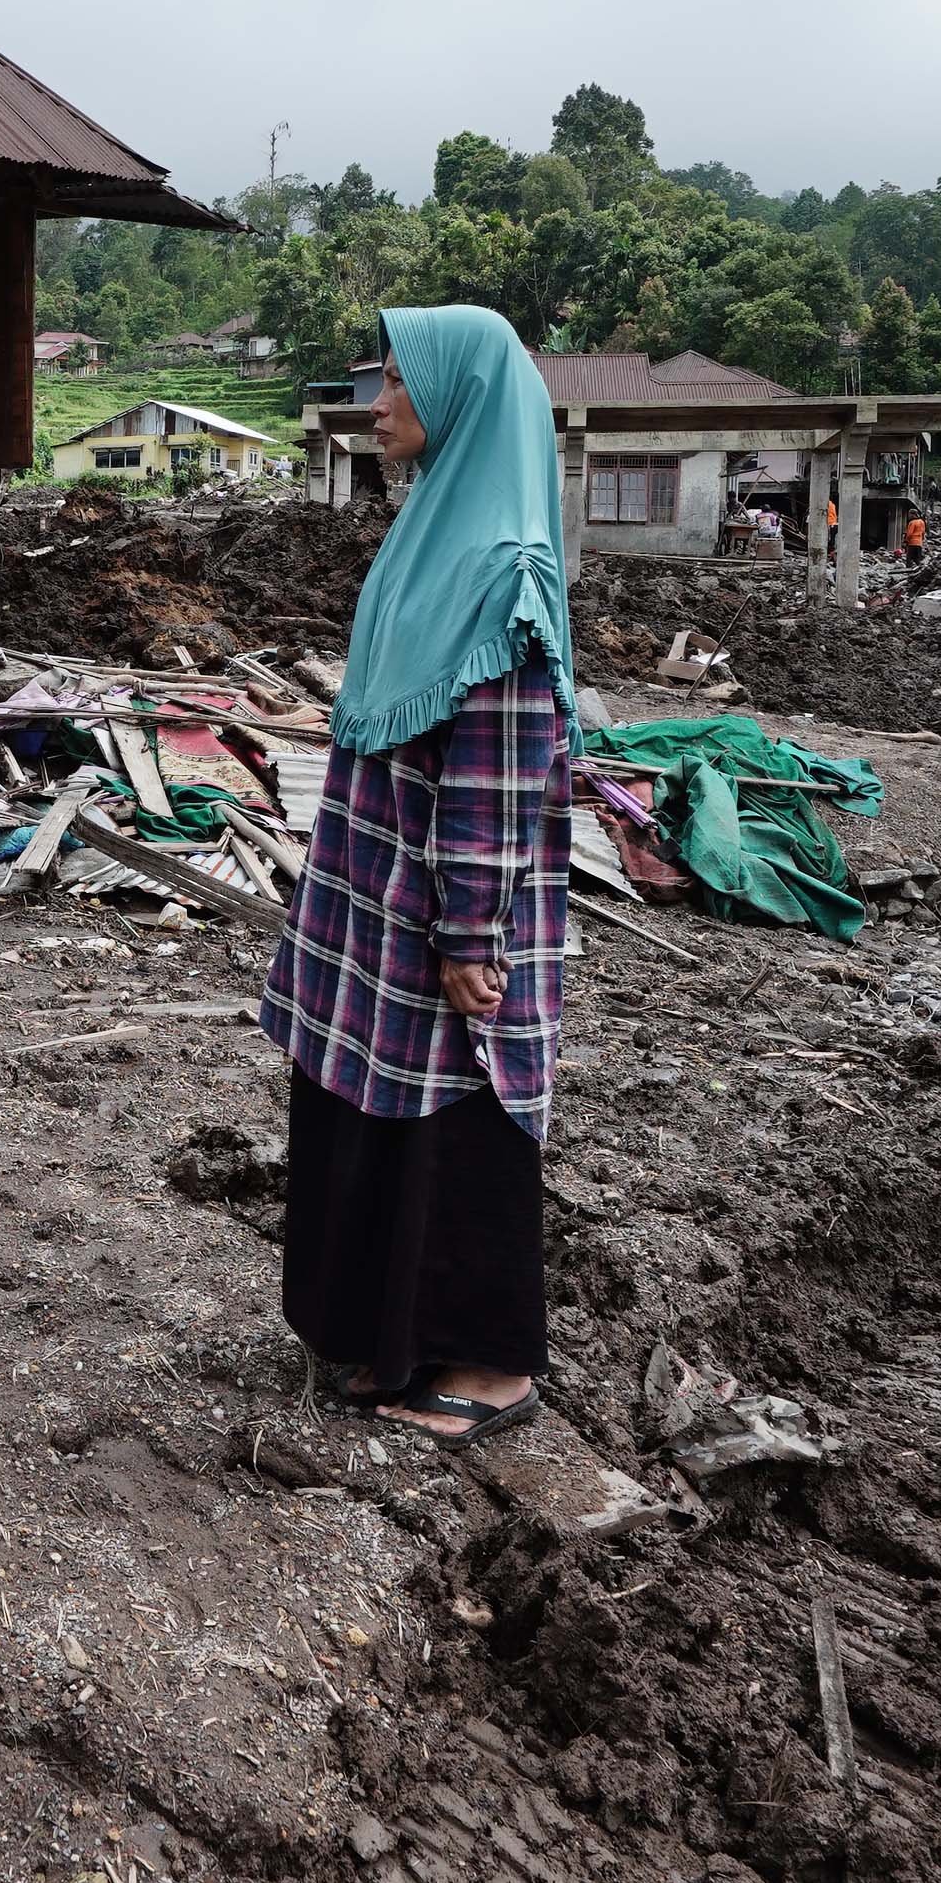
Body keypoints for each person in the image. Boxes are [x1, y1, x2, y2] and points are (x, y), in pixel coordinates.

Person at [259, 304, 572, 1451]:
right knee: (378, 1110)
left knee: (459, 1116)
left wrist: (467, 934)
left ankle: (487, 1364)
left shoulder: (500, 570)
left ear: (462, 403)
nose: (378, 404)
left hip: (440, 909)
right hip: (381, 901)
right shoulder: (430, 535)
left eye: (397, 383)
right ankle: (393, 1335)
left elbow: (495, 775)